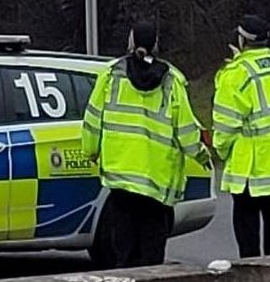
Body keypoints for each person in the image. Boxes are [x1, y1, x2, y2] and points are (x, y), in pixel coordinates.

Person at [82, 21, 210, 269]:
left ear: (130, 42)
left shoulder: (111, 76)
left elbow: (92, 119)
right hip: (157, 184)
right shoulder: (172, 81)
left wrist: (91, 151)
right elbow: (186, 130)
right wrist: (202, 156)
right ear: (156, 45)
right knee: (151, 260)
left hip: (121, 181)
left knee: (123, 255)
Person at [213, 15, 270, 258]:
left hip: (249, 166)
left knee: (247, 233)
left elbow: (226, 122)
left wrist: (220, 149)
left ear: (242, 40)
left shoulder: (237, 73)